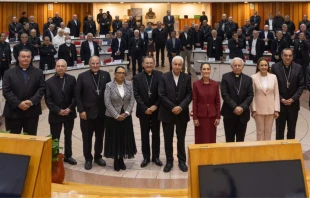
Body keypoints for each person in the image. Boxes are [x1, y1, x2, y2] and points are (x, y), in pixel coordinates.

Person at [76, 56, 111, 170]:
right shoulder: (82, 76)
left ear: (100, 64)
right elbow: (78, 96)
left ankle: (97, 156)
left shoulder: (106, 75)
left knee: (100, 136)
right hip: (87, 113)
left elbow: (109, 93)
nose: (95, 66)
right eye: (93, 63)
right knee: (87, 137)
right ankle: (88, 158)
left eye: (97, 63)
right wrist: (81, 110)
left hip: (102, 113)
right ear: (89, 64)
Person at [158, 56, 192, 173]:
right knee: (168, 139)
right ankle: (169, 161)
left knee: (181, 138)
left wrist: (181, 107)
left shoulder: (187, 78)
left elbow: (189, 95)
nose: (177, 66)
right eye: (175, 64)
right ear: (171, 65)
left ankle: (182, 161)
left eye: (179, 64)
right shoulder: (164, 77)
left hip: (182, 113)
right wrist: (173, 107)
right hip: (167, 113)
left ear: (182, 66)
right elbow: (161, 95)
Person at [3, 49, 45, 135]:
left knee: (30, 140)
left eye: (28, 56)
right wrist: (18, 103)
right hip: (13, 112)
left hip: (31, 112)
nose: (26, 58)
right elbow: (6, 91)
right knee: (13, 142)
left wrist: (31, 101)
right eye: (23, 56)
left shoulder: (39, 72)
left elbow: (41, 89)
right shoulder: (8, 73)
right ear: (18, 58)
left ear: (31, 58)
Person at [104, 66, 136, 171]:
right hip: (113, 117)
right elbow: (107, 102)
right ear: (115, 74)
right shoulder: (109, 85)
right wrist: (117, 115)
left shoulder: (129, 84)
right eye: (119, 73)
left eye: (123, 73)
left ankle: (121, 158)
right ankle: (115, 160)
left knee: (124, 138)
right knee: (115, 138)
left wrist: (126, 113)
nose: (121, 75)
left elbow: (132, 99)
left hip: (126, 116)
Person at [45, 59, 77, 165]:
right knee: (55, 137)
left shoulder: (72, 79)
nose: (60, 68)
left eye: (62, 66)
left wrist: (70, 108)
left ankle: (68, 156)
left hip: (69, 113)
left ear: (66, 68)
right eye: (58, 66)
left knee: (68, 136)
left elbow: (75, 96)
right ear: (55, 67)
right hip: (55, 114)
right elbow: (48, 100)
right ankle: (55, 157)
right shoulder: (49, 82)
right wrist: (58, 110)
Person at [133, 56, 163, 168]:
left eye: (151, 63)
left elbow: (162, 92)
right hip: (143, 111)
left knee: (156, 135)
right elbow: (136, 94)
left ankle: (156, 157)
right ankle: (146, 157)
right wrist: (145, 108)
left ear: (154, 63)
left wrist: (155, 105)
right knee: (144, 134)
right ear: (142, 64)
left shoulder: (160, 75)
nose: (149, 65)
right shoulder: (137, 77)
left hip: (156, 111)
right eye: (147, 63)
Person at [271, 48, 304, 140]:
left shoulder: (298, 67)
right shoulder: (275, 67)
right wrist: (281, 99)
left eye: (290, 55)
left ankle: (290, 150)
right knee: (279, 129)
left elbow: (301, 86)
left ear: (292, 57)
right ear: (282, 56)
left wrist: (293, 99)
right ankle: (279, 150)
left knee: (292, 129)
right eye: (285, 55)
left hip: (293, 104)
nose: (288, 57)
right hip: (280, 104)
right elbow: (273, 86)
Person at [220, 57, 254, 142]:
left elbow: (250, 95)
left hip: (243, 114)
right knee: (229, 139)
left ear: (243, 67)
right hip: (229, 113)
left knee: (240, 139)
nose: (237, 67)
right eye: (235, 65)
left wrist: (242, 107)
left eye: (239, 65)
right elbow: (224, 94)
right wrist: (234, 107)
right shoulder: (225, 77)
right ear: (232, 67)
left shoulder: (248, 79)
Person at [251, 58, 280, 141]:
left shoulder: (273, 77)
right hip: (258, 109)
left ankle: (267, 150)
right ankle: (260, 150)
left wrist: (276, 109)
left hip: (271, 109)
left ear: (268, 66)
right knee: (260, 132)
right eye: (262, 65)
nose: (264, 67)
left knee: (268, 132)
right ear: (258, 66)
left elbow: (276, 94)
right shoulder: (253, 77)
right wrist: (253, 109)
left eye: (265, 65)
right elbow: (252, 95)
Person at [192, 63, 220, 144]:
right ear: (201, 71)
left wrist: (218, 116)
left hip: (212, 116)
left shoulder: (215, 84)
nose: (206, 71)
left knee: (211, 138)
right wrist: (195, 118)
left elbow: (217, 101)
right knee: (200, 139)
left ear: (210, 70)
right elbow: (195, 102)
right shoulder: (196, 84)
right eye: (204, 69)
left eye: (208, 69)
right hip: (200, 116)